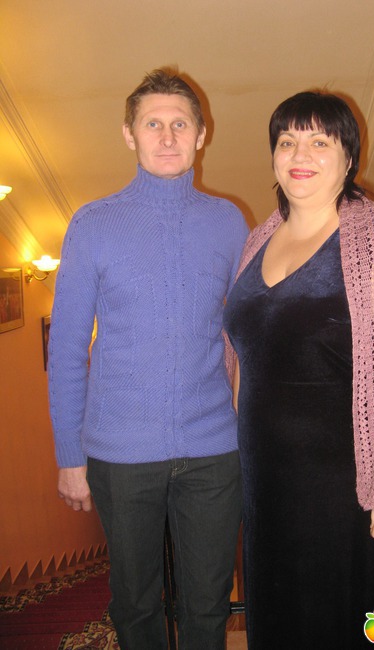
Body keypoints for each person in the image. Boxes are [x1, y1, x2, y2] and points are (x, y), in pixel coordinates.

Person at [223, 91, 374, 649]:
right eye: (287, 141)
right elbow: (247, 352)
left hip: (353, 490)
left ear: (348, 157)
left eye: (319, 141)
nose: (299, 154)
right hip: (270, 488)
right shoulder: (258, 240)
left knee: (353, 625)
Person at [48, 67, 249, 650]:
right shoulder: (92, 224)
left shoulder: (229, 221)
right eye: (152, 124)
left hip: (214, 449)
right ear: (128, 134)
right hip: (119, 455)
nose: (167, 136)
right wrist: (70, 455)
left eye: (180, 124)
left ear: (202, 135)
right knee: (135, 604)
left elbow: (247, 332)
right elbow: (66, 349)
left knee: (207, 604)